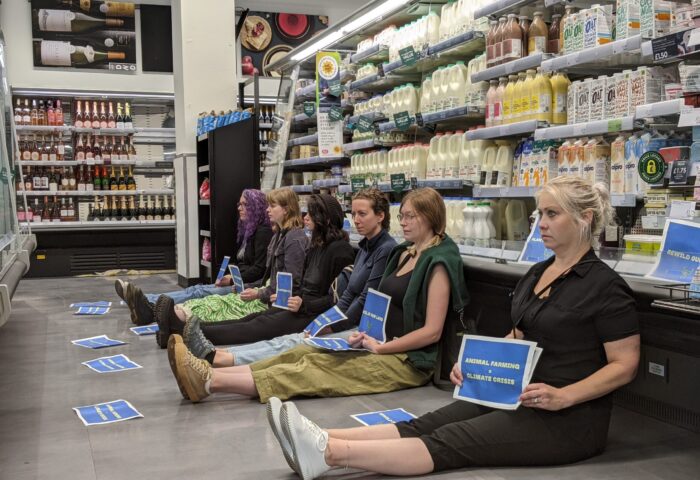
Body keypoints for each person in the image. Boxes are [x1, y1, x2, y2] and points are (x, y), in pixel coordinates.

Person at [265, 176, 641, 480]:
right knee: (430, 422)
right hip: (514, 394)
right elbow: (520, 334)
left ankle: (328, 455)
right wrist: (477, 366)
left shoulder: (605, 286)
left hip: (566, 420)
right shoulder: (539, 273)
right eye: (539, 214)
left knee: (452, 440)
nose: (541, 223)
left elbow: (624, 365)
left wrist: (566, 396)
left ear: (586, 218)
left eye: (552, 214)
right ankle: (320, 436)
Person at [168, 187, 469, 406]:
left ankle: (210, 380)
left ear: (430, 217)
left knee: (315, 370)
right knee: (303, 352)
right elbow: (375, 303)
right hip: (374, 339)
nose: (403, 222)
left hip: (406, 359)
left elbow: (432, 332)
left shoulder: (439, 261)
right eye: (401, 215)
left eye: (411, 217)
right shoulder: (404, 254)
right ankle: (213, 365)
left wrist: (380, 349)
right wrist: (364, 335)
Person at [183, 188, 397, 367]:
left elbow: (350, 298)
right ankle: (203, 341)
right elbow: (344, 295)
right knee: (260, 326)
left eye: (362, 214)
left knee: (282, 343)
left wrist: (329, 323)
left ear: (380, 216)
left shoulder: (355, 250)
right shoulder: (356, 248)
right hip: (315, 312)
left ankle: (211, 352)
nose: (306, 218)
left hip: (329, 318)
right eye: (354, 213)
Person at [153, 187, 309, 346]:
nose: (267, 209)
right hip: (263, 294)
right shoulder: (279, 236)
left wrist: (257, 292)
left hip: (270, 300)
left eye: (272, 205)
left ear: (286, 209)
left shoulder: (293, 239)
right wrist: (250, 287)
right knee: (213, 300)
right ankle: (176, 325)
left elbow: (288, 282)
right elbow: (269, 279)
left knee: (221, 307)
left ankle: (179, 328)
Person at [115, 189, 272, 328]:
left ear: (255, 207)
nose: (239, 208)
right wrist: (230, 275)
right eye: (239, 204)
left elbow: (259, 270)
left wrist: (231, 279)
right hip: (241, 281)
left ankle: (147, 303)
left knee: (199, 292)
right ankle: (145, 300)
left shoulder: (263, 232)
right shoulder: (249, 231)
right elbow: (246, 264)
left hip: (250, 286)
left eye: (244, 205)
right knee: (194, 289)